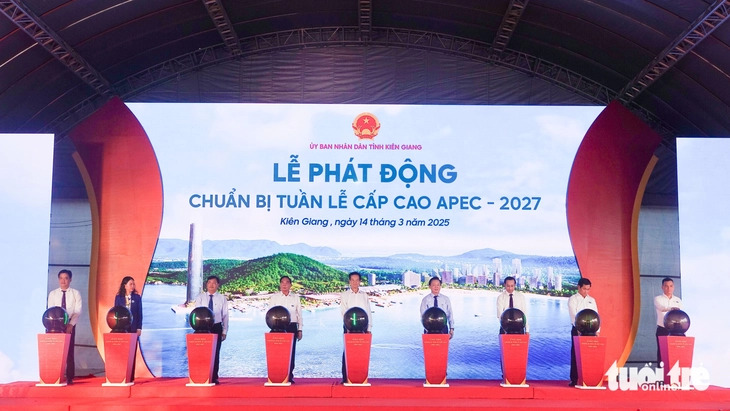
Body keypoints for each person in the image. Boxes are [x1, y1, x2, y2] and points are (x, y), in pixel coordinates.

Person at [47, 269, 82, 384]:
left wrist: (70, 324)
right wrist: (57, 325)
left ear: (70, 280)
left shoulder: (75, 293)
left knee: (69, 351)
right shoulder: (53, 294)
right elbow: (51, 310)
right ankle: (54, 376)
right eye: (61, 278)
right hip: (55, 327)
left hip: (70, 326)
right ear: (58, 279)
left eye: (66, 278)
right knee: (55, 351)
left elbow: (77, 311)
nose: (63, 281)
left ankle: (70, 377)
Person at [194, 275, 229, 385]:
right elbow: (196, 313)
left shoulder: (222, 298)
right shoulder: (200, 297)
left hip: (216, 327)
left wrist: (224, 331)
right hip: (202, 328)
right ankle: (200, 376)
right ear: (206, 284)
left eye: (214, 283)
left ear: (218, 285)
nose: (211, 285)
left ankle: (214, 377)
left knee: (215, 353)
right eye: (209, 282)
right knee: (201, 353)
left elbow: (225, 316)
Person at [269, 275, 303, 383]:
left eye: (287, 282)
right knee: (277, 353)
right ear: (280, 284)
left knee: (291, 353)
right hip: (277, 327)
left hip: (291, 326)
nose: (284, 284)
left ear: (290, 285)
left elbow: (299, 315)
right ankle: (276, 376)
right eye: (282, 282)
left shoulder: (295, 297)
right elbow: (270, 314)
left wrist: (300, 329)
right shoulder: (274, 298)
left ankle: (289, 376)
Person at [339, 271, 372, 383]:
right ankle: (346, 378)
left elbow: (368, 312)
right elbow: (343, 312)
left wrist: (369, 329)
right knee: (347, 353)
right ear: (349, 282)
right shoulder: (344, 295)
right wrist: (347, 327)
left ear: (360, 282)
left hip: (362, 327)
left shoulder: (364, 295)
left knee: (361, 352)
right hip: (349, 327)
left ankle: (360, 378)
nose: (354, 282)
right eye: (352, 280)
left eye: (357, 280)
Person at [567, 277, 598, 387]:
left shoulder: (592, 300)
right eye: (584, 289)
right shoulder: (573, 299)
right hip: (578, 330)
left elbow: (596, 316)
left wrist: (597, 330)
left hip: (591, 331)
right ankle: (574, 379)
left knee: (590, 355)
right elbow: (573, 316)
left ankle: (589, 379)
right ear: (579, 287)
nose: (586, 291)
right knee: (575, 354)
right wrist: (579, 329)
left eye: (588, 289)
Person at [654, 277, 682, 366]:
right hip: (662, 329)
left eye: (671, 286)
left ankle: (673, 376)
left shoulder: (678, 300)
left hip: (675, 331)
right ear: (662, 287)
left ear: (673, 287)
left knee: (674, 353)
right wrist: (671, 308)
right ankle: (660, 377)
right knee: (662, 353)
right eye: (666, 286)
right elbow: (661, 308)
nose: (668, 288)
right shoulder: (658, 298)